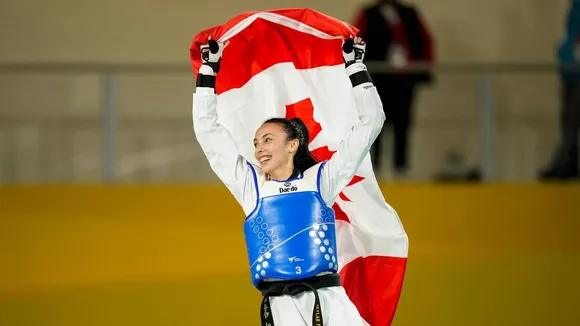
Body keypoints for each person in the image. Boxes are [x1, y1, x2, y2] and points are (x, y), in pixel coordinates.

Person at [192, 36, 385, 326]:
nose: (259, 149)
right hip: (279, 309)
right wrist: (208, 70)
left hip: (331, 305)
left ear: (293, 145)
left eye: (268, 140)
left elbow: (371, 122)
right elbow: (208, 134)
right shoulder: (251, 186)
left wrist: (355, 66)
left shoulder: (321, 179)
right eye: (256, 143)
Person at [353, 0, 434, 177]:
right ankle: (375, 168)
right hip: (376, 80)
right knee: (375, 125)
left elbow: (425, 41)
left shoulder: (409, 12)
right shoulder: (368, 14)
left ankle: (401, 169)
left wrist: (421, 67)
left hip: (404, 81)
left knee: (402, 124)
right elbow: (356, 42)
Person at [539, 0, 580, 180]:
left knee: (572, 118)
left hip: (577, 70)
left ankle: (564, 160)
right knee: (567, 117)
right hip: (570, 70)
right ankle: (568, 160)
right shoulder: (574, 6)